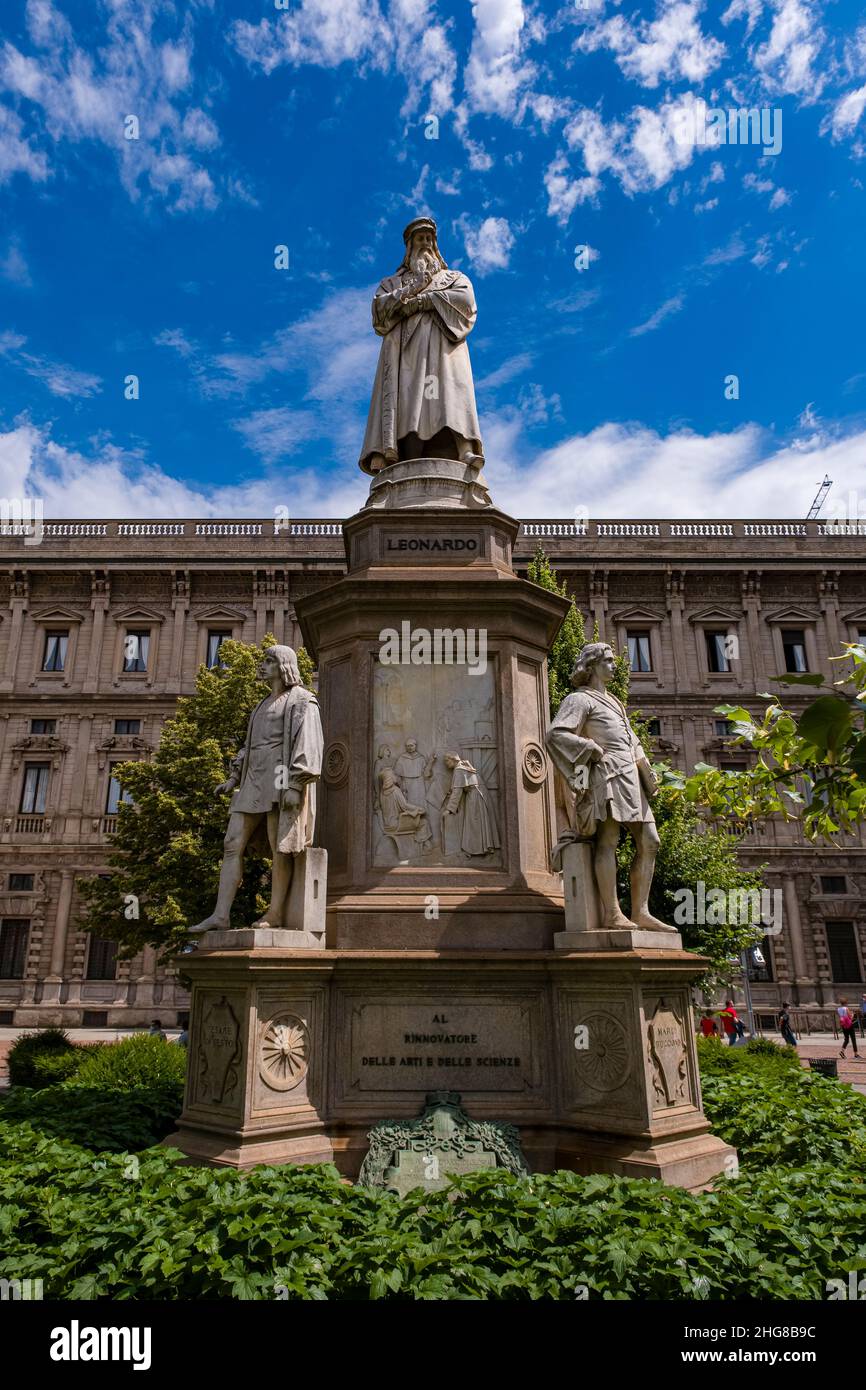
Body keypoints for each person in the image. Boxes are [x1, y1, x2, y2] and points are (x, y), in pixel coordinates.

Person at [190, 645, 323, 932]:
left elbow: (308, 743)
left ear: (283, 666)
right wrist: (233, 778)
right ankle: (221, 914)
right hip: (253, 780)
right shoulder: (261, 705)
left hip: (279, 778)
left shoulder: (302, 701)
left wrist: (296, 785)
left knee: (280, 849)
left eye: (268, 661)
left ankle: (275, 913)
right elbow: (250, 746)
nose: (261, 665)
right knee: (231, 843)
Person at [546, 642, 674, 932]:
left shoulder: (615, 701)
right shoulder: (579, 699)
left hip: (630, 775)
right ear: (592, 666)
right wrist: (590, 748)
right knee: (608, 841)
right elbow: (556, 734)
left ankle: (640, 911)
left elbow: (631, 738)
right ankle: (613, 913)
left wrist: (644, 766)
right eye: (608, 661)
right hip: (607, 774)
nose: (614, 666)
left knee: (651, 841)